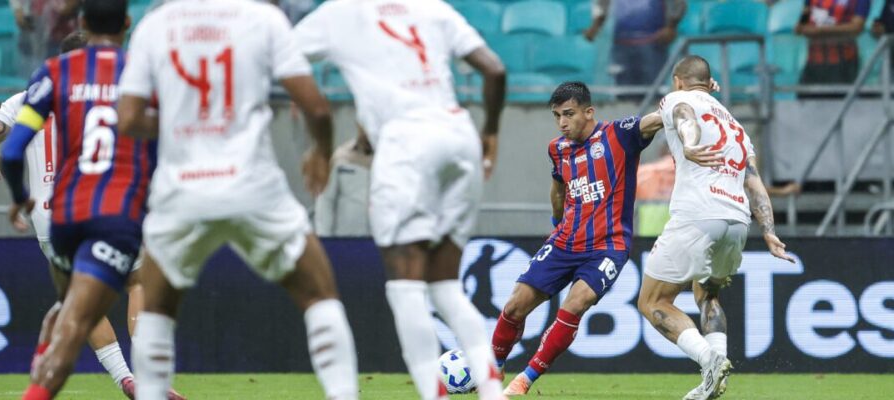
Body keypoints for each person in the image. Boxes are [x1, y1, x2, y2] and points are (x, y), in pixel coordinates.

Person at [116, 0, 359, 399]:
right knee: (319, 295)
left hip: (182, 192)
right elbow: (315, 105)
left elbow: (127, 119)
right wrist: (321, 151)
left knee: (156, 310)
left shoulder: (155, 25)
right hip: (253, 186)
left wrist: (182, 126)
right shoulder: (262, 18)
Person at [294, 1, 507, 399]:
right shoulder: (431, 8)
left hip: (405, 144)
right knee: (445, 285)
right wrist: (490, 132)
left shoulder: (340, 13)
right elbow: (495, 69)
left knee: (406, 287)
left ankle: (433, 393)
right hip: (459, 135)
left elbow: (282, 59)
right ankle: (491, 390)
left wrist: (318, 145)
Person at [0, 31, 155, 399]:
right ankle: (146, 378)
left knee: (78, 300)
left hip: (49, 216)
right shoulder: (110, 94)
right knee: (137, 282)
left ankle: (124, 380)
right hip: (100, 202)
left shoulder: (26, 98)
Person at [489, 82, 664, 395]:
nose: (562, 122)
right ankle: (493, 371)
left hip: (608, 246)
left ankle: (524, 380)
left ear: (589, 112)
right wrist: (557, 222)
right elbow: (558, 187)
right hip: (564, 241)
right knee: (515, 305)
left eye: (568, 114)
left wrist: (692, 95)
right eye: (557, 116)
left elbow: (657, 118)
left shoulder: (619, 135)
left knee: (576, 302)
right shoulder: (557, 149)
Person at [637, 55, 795, 400]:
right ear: (709, 83)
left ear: (679, 80)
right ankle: (715, 374)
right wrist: (767, 229)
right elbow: (753, 181)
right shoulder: (736, 126)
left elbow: (683, 116)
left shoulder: (679, 98)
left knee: (653, 301)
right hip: (738, 219)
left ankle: (709, 360)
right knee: (707, 294)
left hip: (697, 213)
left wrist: (690, 144)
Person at [583, 0, 686, 96]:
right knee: (624, 91)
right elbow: (602, 3)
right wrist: (595, 26)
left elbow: (677, 2)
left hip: (653, 42)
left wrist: (671, 26)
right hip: (622, 43)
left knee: (652, 90)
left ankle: (654, 115)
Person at [796, 0, 871, 98]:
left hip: (843, 63)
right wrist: (801, 27)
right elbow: (804, 18)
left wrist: (821, 30)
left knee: (840, 106)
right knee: (807, 103)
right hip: (814, 61)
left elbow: (856, 27)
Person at [314, 127, 373, 237]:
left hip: (381, 244)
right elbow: (326, 200)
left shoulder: (389, 159)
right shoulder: (341, 156)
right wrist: (325, 240)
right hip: (345, 241)